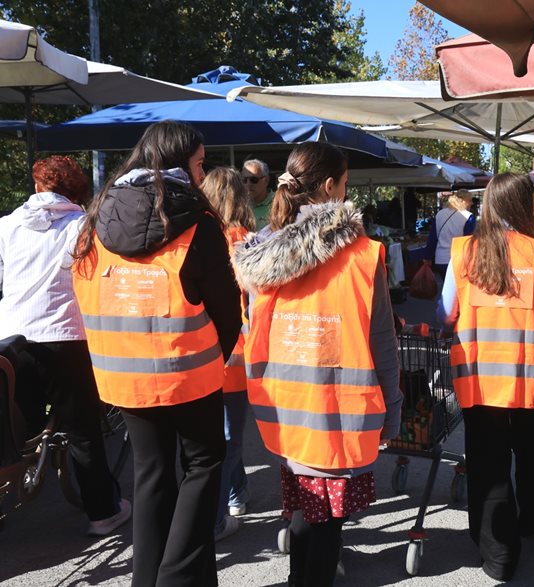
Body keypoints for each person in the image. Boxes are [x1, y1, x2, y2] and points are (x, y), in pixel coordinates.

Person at [73, 121, 242, 587]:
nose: (203, 174)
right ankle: (178, 577)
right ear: (179, 162)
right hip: (190, 372)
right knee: (204, 464)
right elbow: (228, 310)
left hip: (123, 376)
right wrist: (215, 352)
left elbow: (83, 288)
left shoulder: (96, 219)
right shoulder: (198, 225)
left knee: (151, 475)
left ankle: (148, 578)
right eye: (200, 163)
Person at [233, 142, 402, 587]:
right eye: (345, 184)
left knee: (308, 515)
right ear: (330, 186)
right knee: (326, 523)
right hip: (337, 415)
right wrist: (394, 409)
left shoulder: (259, 257)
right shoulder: (363, 256)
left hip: (284, 413)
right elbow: (382, 341)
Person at [438, 172, 534, 582]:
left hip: (479, 377)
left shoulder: (463, 252)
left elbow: (446, 312)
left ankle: (499, 553)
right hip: (533, 377)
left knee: (489, 465)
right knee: (531, 454)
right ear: (527, 206)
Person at [0, 155, 131, 536]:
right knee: (82, 428)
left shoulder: (7, 225)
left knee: (16, 425)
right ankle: (103, 512)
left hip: (12, 337)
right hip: (65, 335)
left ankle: (19, 478)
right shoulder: (83, 226)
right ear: (76, 192)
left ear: (39, 187)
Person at [202, 167, 257, 540]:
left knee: (220, 435)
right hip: (238, 352)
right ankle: (221, 513)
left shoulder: (193, 239)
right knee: (229, 438)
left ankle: (236, 496)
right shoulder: (247, 242)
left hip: (199, 352)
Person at [426, 189, 475, 277]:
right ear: (463, 201)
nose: (472, 203)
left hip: (440, 259)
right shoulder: (468, 216)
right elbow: (469, 241)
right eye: (470, 200)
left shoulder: (439, 214)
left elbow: (433, 238)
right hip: (458, 260)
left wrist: (427, 257)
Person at [243, 158, 273, 229]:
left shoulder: (279, 202)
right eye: (244, 180)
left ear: (266, 180)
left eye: (253, 180)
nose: (248, 184)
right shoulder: (240, 206)